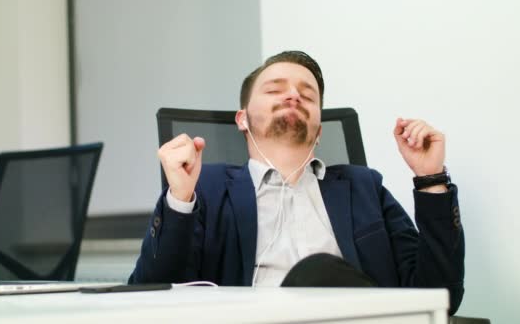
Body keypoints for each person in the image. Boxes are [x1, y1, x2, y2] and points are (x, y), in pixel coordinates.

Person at [128, 51, 464, 314]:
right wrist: (181, 198)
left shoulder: (364, 188)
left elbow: (441, 294)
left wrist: (430, 178)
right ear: (242, 118)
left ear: (319, 130)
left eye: (308, 94)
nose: (293, 96)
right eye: (275, 89)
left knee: (321, 274)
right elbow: (151, 294)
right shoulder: (207, 188)